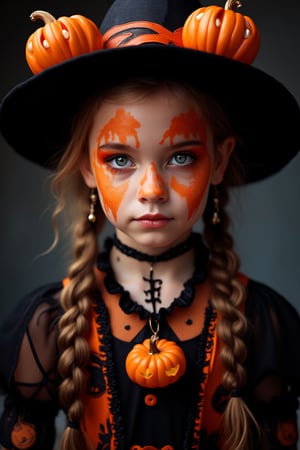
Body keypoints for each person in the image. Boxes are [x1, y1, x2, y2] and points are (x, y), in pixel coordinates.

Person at [0, 0, 299, 449]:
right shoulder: (47, 325)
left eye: (181, 157)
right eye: (120, 159)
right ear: (87, 168)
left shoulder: (262, 322)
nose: (152, 189)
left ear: (219, 160)